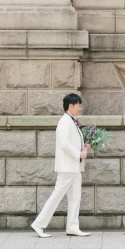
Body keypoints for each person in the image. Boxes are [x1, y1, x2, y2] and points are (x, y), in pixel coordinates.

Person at [31, 93, 91, 238]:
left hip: (74, 167)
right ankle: (38, 224)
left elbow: (70, 143)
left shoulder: (70, 121)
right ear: (70, 106)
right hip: (68, 167)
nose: (80, 108)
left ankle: (72, 227)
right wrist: (79, 154)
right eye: (78, 105)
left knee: (75, 198)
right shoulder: (65, 121)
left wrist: (83, 147)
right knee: (57, 195)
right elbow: (64, 144)